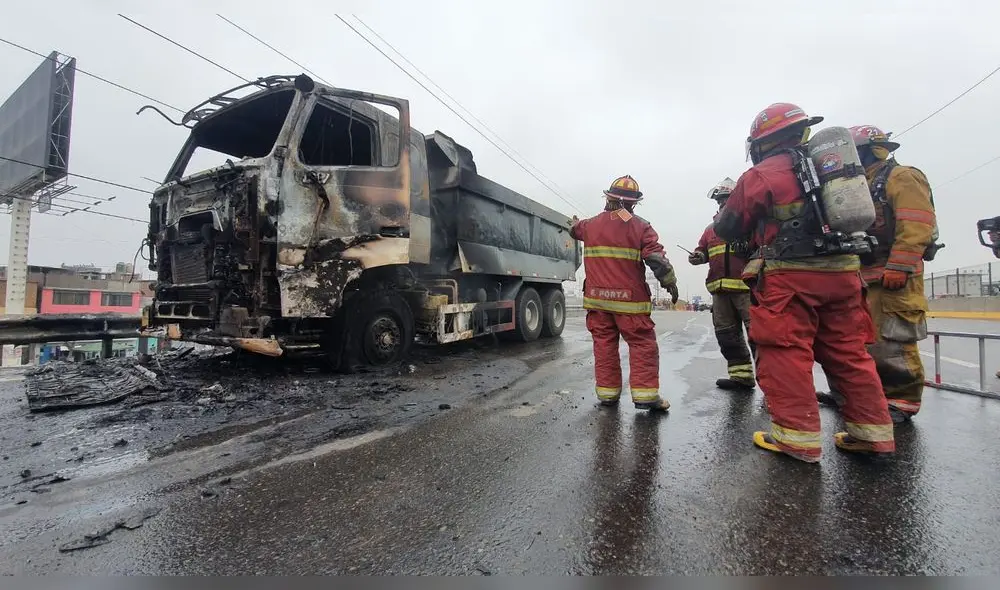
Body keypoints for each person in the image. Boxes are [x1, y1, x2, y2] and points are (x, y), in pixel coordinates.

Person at [714, 103, 895, 463]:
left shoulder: (763, 175)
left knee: (786, 352)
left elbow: (727, 226)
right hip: (844, 274)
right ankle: (873, 436)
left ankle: (797, 439)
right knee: (849, 354)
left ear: (762, 143)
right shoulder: (834, 170)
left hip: (791, 277)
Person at [816, 125, 937, 423]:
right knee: (855, 340)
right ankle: (855, 395)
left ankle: (901, 401)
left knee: (891, 341)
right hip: (860, 275)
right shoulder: (855, 185)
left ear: (867, 150)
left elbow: (917, 224)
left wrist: (899, 265)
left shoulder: (902, 177)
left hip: (891, 275)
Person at [570, 175, 679, 411]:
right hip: (630, 304)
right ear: (633, 203)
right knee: (642, 344)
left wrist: (574, 222)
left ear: (608, 197)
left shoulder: (589, 225)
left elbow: (574, 229)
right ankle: (645, 395)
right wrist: (670, 282)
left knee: (604, 345)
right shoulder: (641, 227)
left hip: (597, 302)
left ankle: (608, 395)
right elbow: (656, 259)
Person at [689, 178, 756, 391]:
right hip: (720, 291)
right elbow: (702, 250)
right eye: (720, 200)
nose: (722, 204)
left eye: (726, 199)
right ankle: (741, 376)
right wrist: (698, 256)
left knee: (760, 336)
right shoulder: (711, 229)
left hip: (747, 289)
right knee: (727, 335)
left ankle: (774, 385)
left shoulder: (749, 223)